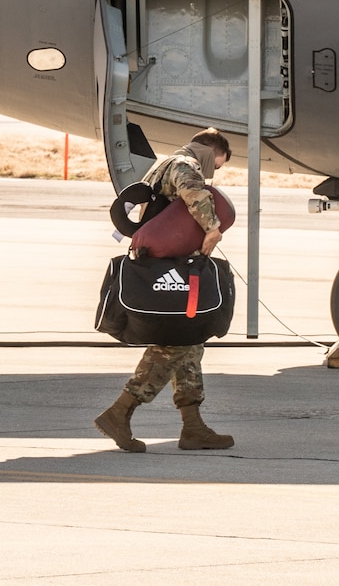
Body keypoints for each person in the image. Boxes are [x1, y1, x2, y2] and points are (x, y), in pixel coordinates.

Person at [94, 128, 235, 453]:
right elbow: (195, 195)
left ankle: (193, 426)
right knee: (175, 345)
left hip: (163, 266)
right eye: (219, 164)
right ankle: (121, 410)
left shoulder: (164, 164)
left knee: (189, 342)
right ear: (212, 150)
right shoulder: (186, 164)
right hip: (171, 269)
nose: (215, 171)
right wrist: (212, 229)